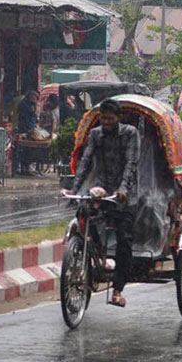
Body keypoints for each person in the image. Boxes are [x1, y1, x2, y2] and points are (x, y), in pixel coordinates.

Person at [62, 99, 140, 307]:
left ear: (118, 118)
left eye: (110, 119)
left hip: (125, 193)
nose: (106, 122)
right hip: (102, 188)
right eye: (103, 118)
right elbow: (86, 162)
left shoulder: (130, 133)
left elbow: (131, 164)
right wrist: (74, 190)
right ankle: (93, 254)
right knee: (83, 215)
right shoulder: (96, 134)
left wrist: (123, 190)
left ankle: (117, 289)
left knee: (124, 239)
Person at [15, 90, 39, 175]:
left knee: (29, 150)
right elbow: (27, 116)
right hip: (25, 129)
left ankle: (26, 168)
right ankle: (23, 168)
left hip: (30, 128)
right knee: (24, 150)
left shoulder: (30, 104)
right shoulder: (24, 105)